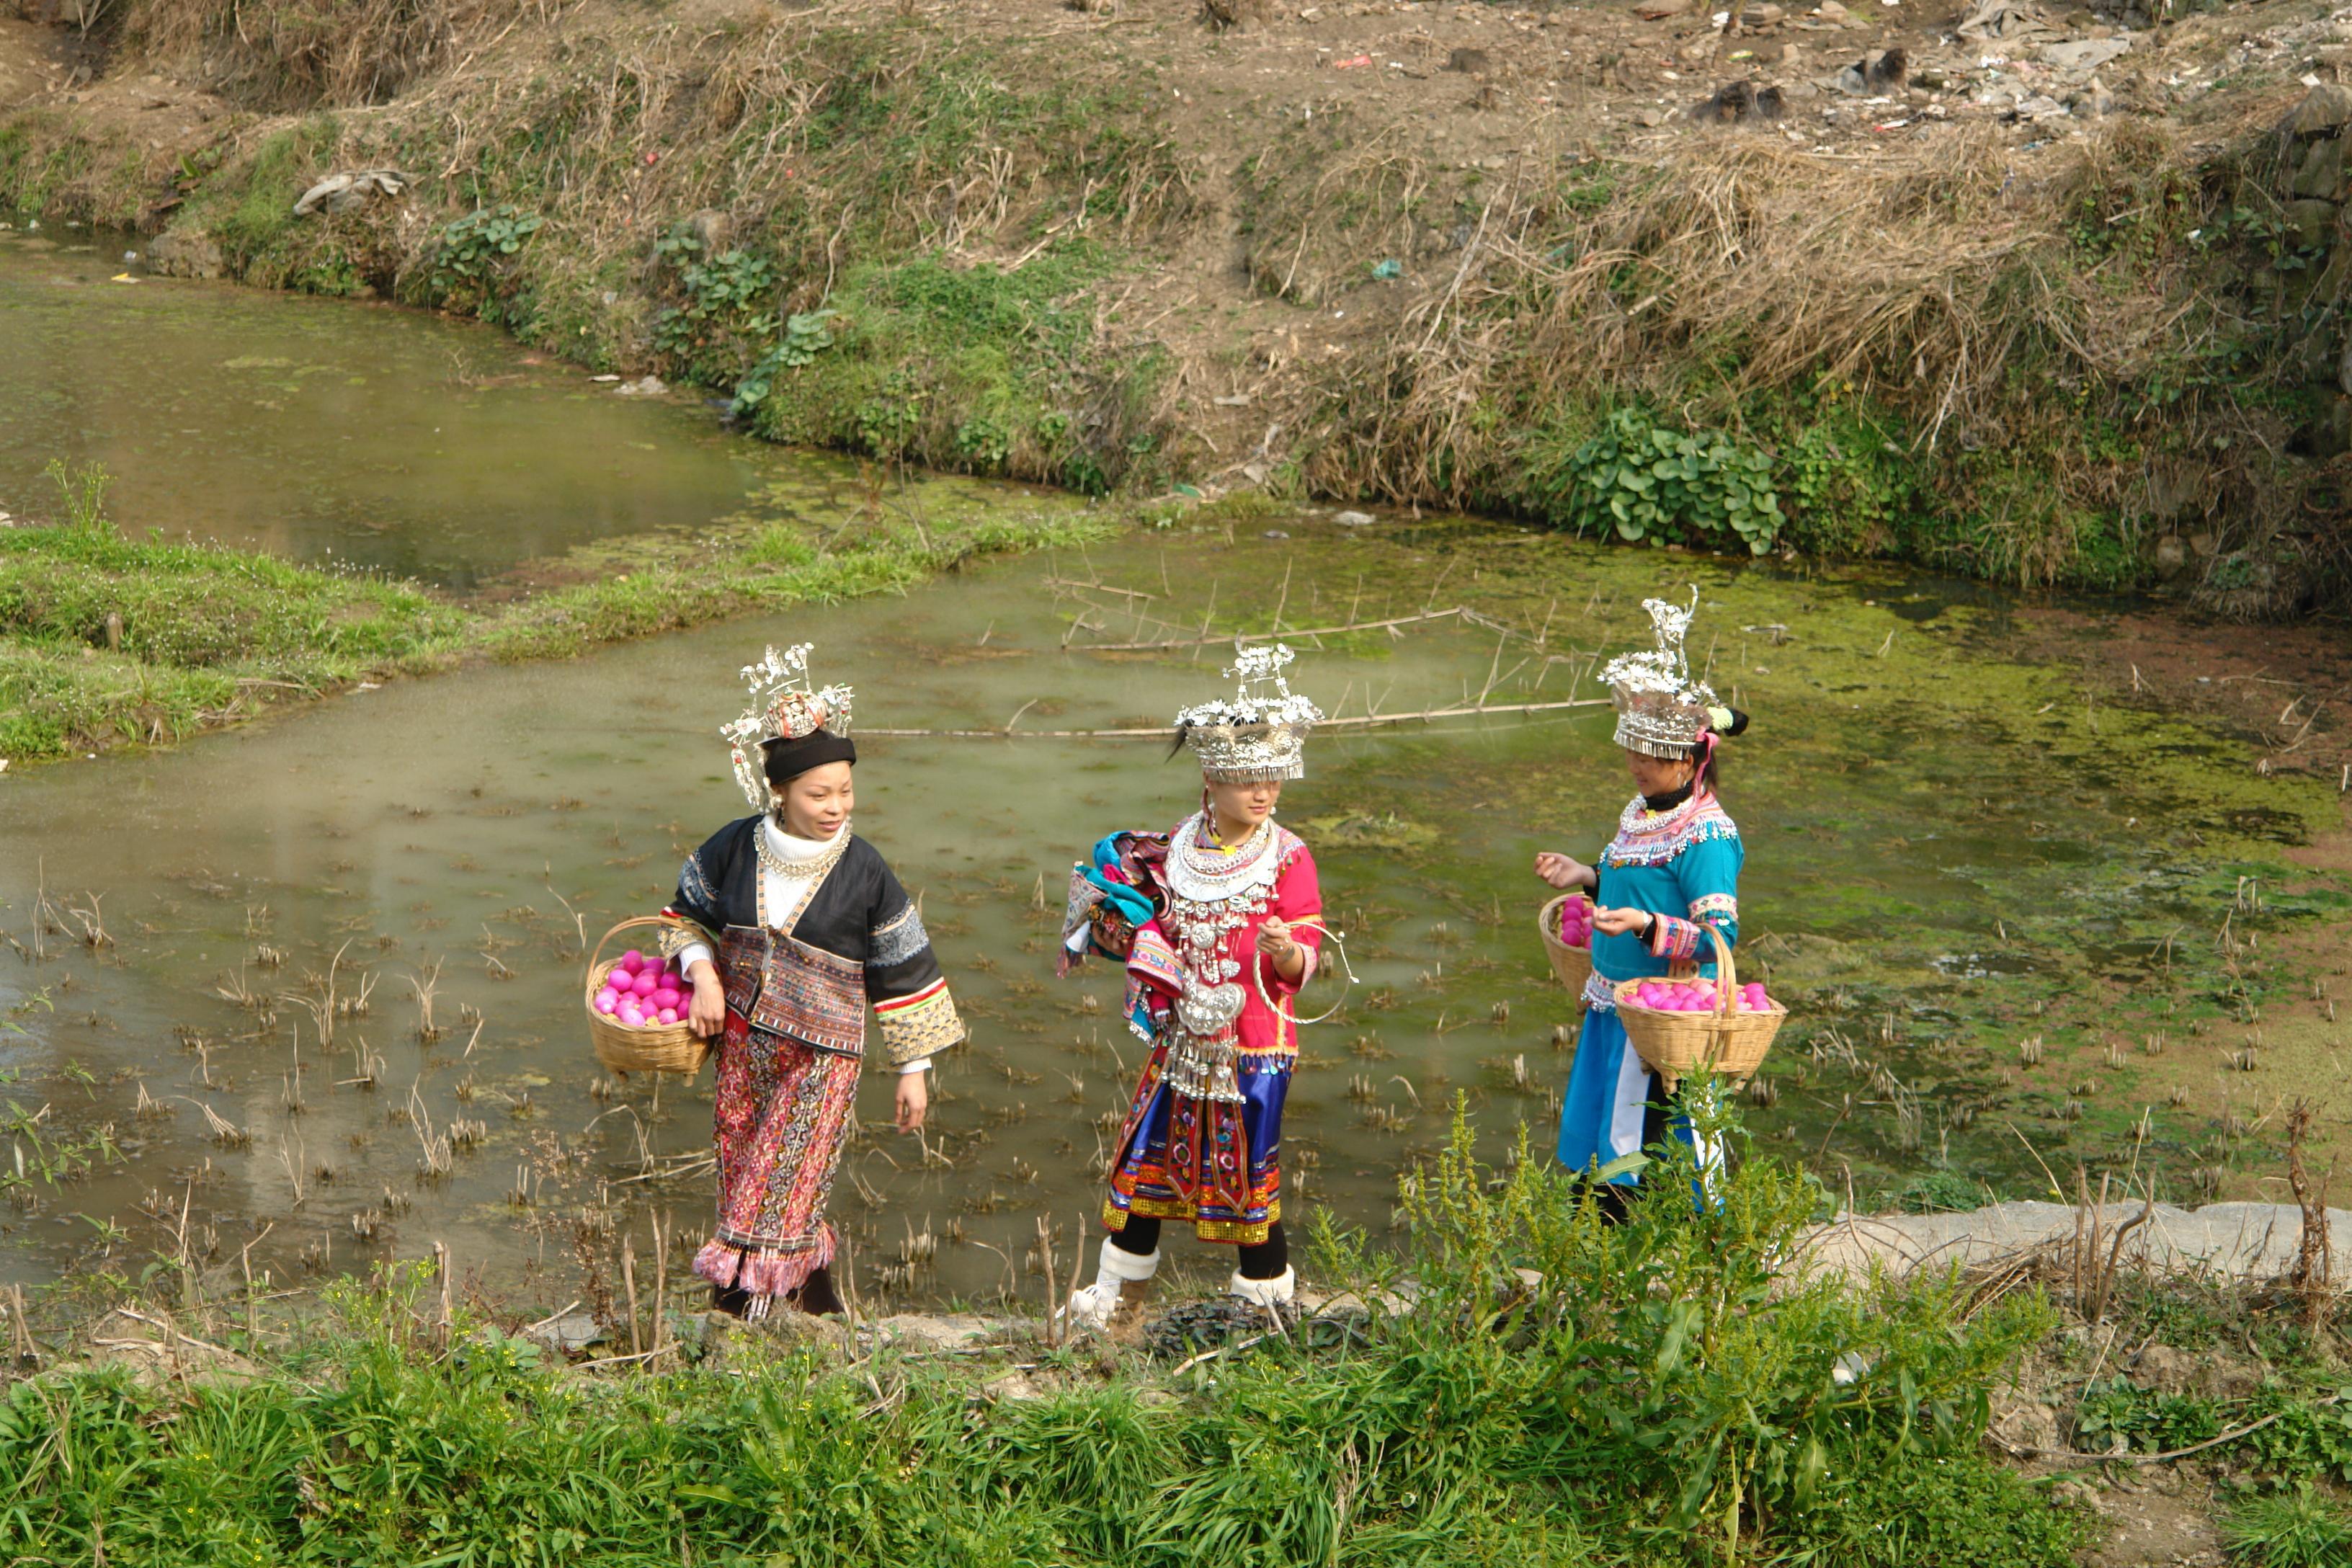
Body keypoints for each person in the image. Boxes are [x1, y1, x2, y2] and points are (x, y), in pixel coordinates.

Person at [664, 643, 965, 1319]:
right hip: (742, 1051)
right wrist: (703, 974)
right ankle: (819, 1310)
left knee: (775, 1189)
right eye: (818, 793)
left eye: (846, 790)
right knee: (747, 1177)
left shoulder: (865, 871)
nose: (836, 807)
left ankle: (736, 1319)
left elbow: (904, 967)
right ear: (778, 790)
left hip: (825, 1056)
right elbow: (679, 918)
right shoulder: (734, 846)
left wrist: (912, 1069)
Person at [1061, 645, 1325, 1331]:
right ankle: (1119, 1305)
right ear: (1211, 774)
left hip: (1253, 1044)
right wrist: (1124, 929)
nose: (1262, 793)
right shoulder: (1176, 845)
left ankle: (1264, 1308)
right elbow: (1156, 926)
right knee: (1144, 1170)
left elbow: (1309, 960)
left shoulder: (1290, 856)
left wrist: (1287, 952)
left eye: (1272, 778)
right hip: (1181, 1042)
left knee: (1245, 1183)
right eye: (1246, 779)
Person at [1538, 589, 1748, 1216]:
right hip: (1617, 1006)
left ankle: (1649, 1257)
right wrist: (1588, 876)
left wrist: (1649, 927)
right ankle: (1598, 1249)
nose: (1635, 764)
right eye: (1630, 749)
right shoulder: (1643, 812)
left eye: (1652, 756)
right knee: (1601, 1137)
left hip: (1662, 1028)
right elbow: (1635, 881)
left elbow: (1719, 938)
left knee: (1649, 1150)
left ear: (1690, 761)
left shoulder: (1708, 836)